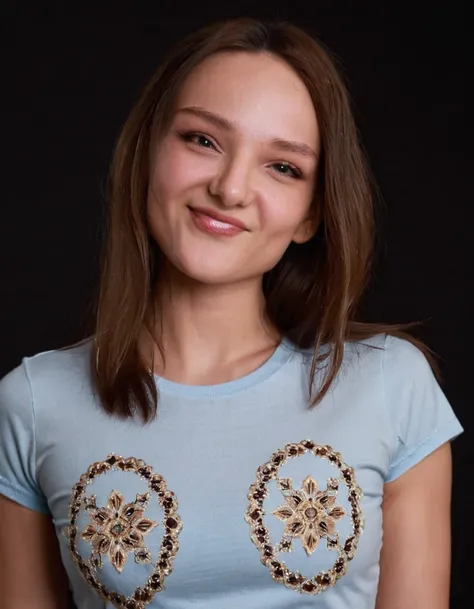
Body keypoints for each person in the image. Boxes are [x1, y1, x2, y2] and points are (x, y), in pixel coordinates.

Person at [0, 17, 463, 609]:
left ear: (310, 216)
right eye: (202, 140)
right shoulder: (35, 403)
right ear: (147, 151)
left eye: (283, 167)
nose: (231, 187)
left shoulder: (391, 387)